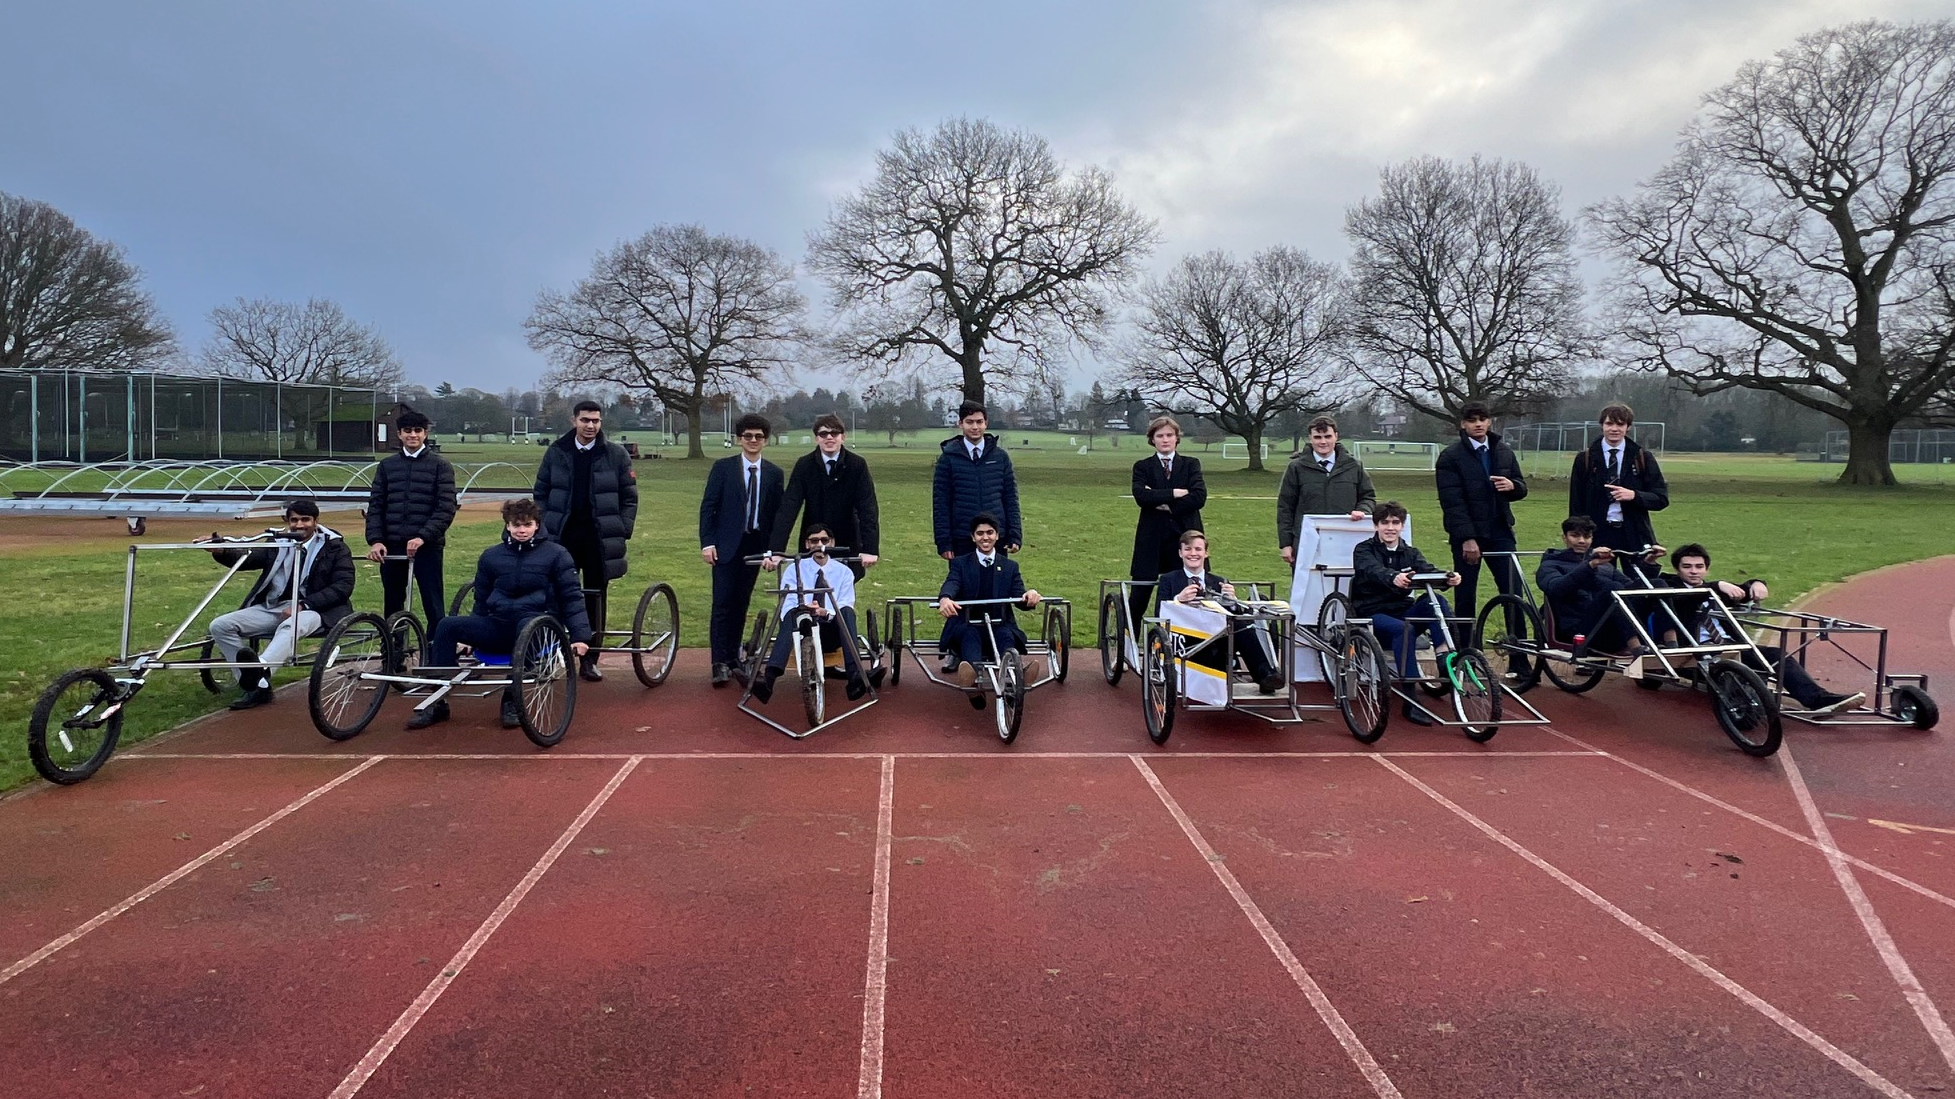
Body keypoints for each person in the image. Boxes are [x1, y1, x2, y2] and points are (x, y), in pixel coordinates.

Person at [412, 499, 592, 729]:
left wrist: (579, 636)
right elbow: (482, 599)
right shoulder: (491, 556)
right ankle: (437, 700)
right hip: (499, 624)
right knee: (446, 625)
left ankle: (512, 700)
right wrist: (469, 638)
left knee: (526, 625)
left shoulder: (557, 555)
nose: (521, 530)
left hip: (537, 627)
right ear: (507, 526)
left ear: (537, 525)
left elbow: (571, 596)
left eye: (527, 525)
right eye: (516, 525)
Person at [1658, 543, 1864, 715]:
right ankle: (1745, 708)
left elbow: (1743, 590)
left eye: (1699, 566)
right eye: (1687, 567)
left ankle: (1819, 700)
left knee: (1776, 655)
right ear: (1678, 569)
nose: (1694, 571)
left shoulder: (1718, 589)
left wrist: (1757, 584)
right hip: (1697, 650)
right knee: (1734, 669)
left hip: (1732, 645)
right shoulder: (1670, 584)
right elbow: (1681, 596)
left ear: (1706, 569)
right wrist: (1716, 585)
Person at [204, 498, 356, 711]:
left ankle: (261, 670)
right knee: (220, 626)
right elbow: (247, 558)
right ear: (287, 521)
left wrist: (304, 604)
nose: (300, 525)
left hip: (317, 610)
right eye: (294, 520)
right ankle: (257, 684)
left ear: (316, 521)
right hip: (273, 607)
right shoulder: (278, 542)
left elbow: (343, 586)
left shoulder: (334, 547)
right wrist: (222, 551)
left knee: (291, 625)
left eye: (305, 520)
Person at [533, 400, 637, 682]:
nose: (590, 426)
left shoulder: (615, 455)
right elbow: (540, 491)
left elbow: (629, 497)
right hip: (562, 536)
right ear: (574, 421)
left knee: (594, 598)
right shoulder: (557, 452)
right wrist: (543, 525)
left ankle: (590, 659)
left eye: (595, 421)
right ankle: (550, 655)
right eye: (585, 420)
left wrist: (622, 528)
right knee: (555, 595)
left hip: (597, 539)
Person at [1350, 501, 1461, 725]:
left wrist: (1448, 578)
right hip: (1372, 612)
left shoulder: (1409, 553)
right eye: (1385, 523)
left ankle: (1444, 657)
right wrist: (1393, 577)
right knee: (1404, 630)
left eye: (1395, 523)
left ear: (1402, 526)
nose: (1390, 528)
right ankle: (1411, 702)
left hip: (1401, 611)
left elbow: (1428, 571)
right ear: (1376, 526)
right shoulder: (1363, 550)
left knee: (1435, 600)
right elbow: (1372, 569)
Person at [751, 523, 879, 703]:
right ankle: (768, 680)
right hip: (802, 629)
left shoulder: (844, 572)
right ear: (807, 545)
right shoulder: (794, 569)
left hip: (831, 628)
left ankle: (855, 676)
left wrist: (824, 611)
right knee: (791, 614)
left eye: (824, 540)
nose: (819, 545)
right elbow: (787, 603)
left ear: (832, 543)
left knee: (847, 612)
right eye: (814, 541)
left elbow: (845, 602)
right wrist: (806, 608)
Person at [700, 414, 784, 687]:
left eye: (758, 436)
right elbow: (708, 507)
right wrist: (708, 543)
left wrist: (773, 550)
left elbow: (775, 517)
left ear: (766, 441)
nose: (753, 441)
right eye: (747, 436)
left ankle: (735, 658)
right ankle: (719, 662)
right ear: (739, 439)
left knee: (741, 602)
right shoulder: (723, 468)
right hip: (726, 545)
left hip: (755, 545)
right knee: (722, 603)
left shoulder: (774, 474)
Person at [1156, 530, 1286, 695]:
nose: (1193, 553)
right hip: (1186, 639)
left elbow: (1237, 613)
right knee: (1237, 625)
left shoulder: (1219, 581)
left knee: (1241, 624)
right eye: (1188, 549)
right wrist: (1178, 599)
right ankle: (1265, 673)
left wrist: (1232, 602)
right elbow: (1158, 615)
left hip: (1219, 637)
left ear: (1206, 553)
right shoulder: (1169, 580)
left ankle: (1266, 675)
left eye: (1198, 549)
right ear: (1180, 553)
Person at [364, 407, 458, 629]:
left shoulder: (440, 466)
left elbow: (445, 507)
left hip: (427, 546)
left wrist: (423, 536)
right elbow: (376, 504)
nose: (412, 435)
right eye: (407, 430)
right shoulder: (387, 466)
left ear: (425, 433)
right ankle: (393, 653)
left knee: (432, 601)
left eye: (418, 430)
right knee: (393, 602)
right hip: (392, 545)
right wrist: (376, 540)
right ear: (399, 434)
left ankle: (437, 651)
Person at [1433, 401, 1528, 619]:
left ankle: (1518, 651)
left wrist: (1513, 486)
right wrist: (1467, 538)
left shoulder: (1504, 451)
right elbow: (1452, 502)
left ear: (1489, 422)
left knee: (1514, 593)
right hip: (1469, 535)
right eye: (1472, 420)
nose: (1478, 424)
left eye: (1482, 419)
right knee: (1466, 596)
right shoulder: (1451, 456)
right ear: (1463, 424)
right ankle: (1465, 649)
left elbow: (1521, 487)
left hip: (1501, 531)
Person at [937, 512, 1043, 705]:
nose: (985, 537)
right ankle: (972, 682)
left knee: (1006, 637)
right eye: (980, 533)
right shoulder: (961, 563)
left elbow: (1018, 596)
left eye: (990, 532)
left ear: (997, 535)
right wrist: (945, 598)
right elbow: (952, 582)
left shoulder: (1010, 566)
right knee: (970, 638)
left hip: (998, 621)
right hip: (968, 622)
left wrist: (1029, 596)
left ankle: (1014, 677)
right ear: (972, 537)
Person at [768, 414, 880, 580]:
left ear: (843, 437)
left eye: (834, 433)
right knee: (809, 592)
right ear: (816, 438)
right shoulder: (804, 465)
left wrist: (870, 549)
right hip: (813, 540)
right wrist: (776, 550)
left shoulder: (857, 465)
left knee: (841, 596)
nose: (829, 437)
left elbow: (867, 508)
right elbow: (789, 507)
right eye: (823, 434)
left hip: (847, 540)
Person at [1535, 515, 1663, 659]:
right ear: (1565, 538)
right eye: (1575, 536)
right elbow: (1555, 589)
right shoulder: (1550, 565)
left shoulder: (1605, 566)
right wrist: (1589, 566)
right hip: (1579, 630)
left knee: (1657, 584)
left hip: (1610, 626)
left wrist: (1649, 564)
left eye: (1587, 536)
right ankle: (1637, 649)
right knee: (1611, 588)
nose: (1581, 541)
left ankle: (1671, 643)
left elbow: (1630, 590)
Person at [1568, 403, 1668, 577]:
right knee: (1599, 586)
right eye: (1609, 424)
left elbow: (1661, 498)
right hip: (1597, 534)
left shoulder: (1642, 457)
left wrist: (1634, 495)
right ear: (1602, 425)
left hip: (1634, 534)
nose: (1614, 429)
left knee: (1639, 587)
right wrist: (1579, 537)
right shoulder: (1585, 459)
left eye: (1620, 424)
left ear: (1628, 427)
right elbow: (1576, 503)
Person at [1128, 415, 1206, 631]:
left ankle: (1177, 644)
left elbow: (1199, 497)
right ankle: (1127, 645)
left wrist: (1166, 503)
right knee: (1138, 598)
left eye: (1169, 435)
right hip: (1151, 540)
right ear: (1152, 439)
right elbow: (1141, 496)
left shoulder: (1191, 465)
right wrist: (1175, 493)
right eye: (1159, 435)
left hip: (1184, 537)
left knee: (1188, 595)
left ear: (1176, 438)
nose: (1165, 439)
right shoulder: (1143, 467)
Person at [1277, 415, 1376, 567]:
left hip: (1346, 539)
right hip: (1307, 541)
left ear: (1336, 436)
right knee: (1308, 588)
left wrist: (1362, 510)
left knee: (1347, 588)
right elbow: (1285, 507)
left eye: (1327, 436)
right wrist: (1285, 544)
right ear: (1310, 438)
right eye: (1317, 437)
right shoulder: (1296, 468)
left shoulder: (1354, 466)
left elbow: (1368, 497)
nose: (1323, 442)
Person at [932, 401, 1022, 560]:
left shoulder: (1000, 457)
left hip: (995, 536)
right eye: (969, 422)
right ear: (960, 424)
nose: (975, 427)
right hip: (962, 537)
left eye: (979, 422)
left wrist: (1014, 534)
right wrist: (944, 542)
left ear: (986, 423)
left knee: (997, 584)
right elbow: (941, 503)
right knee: (964, 584)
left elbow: (1010, 498)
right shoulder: (948, 459)